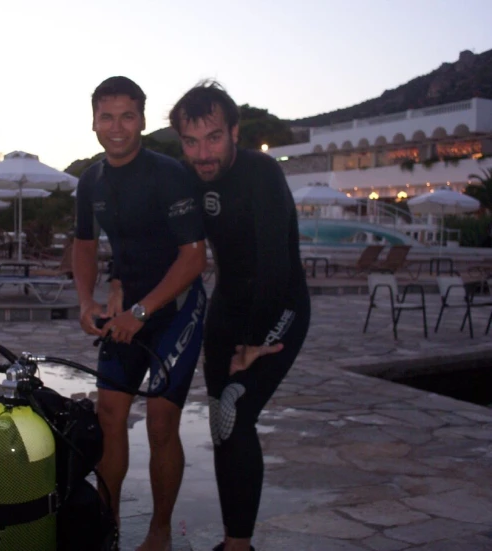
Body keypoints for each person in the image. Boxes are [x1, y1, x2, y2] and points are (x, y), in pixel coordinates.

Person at [169, 81, 311, 551]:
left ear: (234, 132)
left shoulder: (262, 173)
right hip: (228, 304)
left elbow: (276, 265)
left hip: (279, 307)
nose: (202, 152)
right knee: (220, 422)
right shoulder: (192, 178)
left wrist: (253, 344)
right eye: (191, 141)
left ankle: (239, 546)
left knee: (235, 411)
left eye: (212, 137)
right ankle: (235, 542)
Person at [73, 76, 208, 551]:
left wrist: (142, 309)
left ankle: (160, 531)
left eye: (127, 116)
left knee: (159, 421)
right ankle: (107, 529)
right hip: (125, 306)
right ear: (93, 121)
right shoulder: (90, 181)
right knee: (110, 412)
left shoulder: (170, 174)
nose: (117, 126)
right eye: (107, 116)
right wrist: (88, 300)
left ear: (143, 121)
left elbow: (194, 257)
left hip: (175, 307)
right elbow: (84, 245)